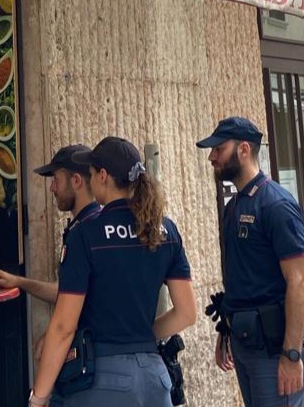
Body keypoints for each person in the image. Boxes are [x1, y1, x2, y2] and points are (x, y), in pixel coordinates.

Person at [29, 137, 197, 407]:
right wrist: (142, 336)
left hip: (103, 381)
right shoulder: (164, 230)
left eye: (92, 172)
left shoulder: (86, 234)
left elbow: (63, 327)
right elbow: (187, 313)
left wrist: (38, 397)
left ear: (103, 176)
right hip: (155, 379)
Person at [196, 116, 304, 407]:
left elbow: (299, 281)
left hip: (276, 349)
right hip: (246, 343)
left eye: (219, 149)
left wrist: (292, 354)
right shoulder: (233, 207)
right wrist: (226, 330)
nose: (212, 157)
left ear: (244, 149)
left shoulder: (276, 204)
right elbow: (242, 277)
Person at [0, 144, 100, 305]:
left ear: (76, 181)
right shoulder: (93, 223)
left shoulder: (83, 233)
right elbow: (64, 291)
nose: (52, 188)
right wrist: (18, 281)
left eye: (56, 180)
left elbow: (66, 299)